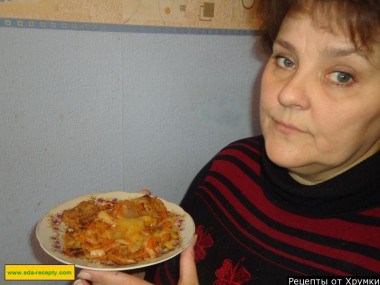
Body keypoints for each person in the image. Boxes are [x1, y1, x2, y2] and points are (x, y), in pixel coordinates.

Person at [73, 0, 380, 284]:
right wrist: (136, 265)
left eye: (341, 76)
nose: (288, 94)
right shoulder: (230, 166)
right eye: (286, 60)